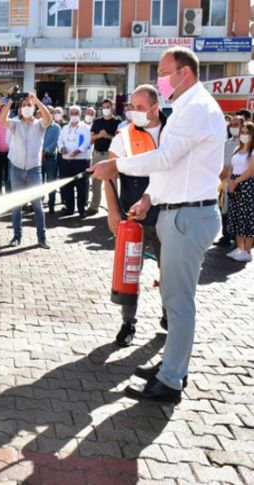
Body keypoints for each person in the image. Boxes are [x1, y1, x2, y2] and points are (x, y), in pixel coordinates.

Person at [90, 46, 224, 403]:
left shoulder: (196, 108)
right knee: (173, 297)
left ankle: (170, 380)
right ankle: (171, 365)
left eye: (165, 73)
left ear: (185, 73)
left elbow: (165, 157)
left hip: (188, 215)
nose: (161, 80)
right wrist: (150, 197)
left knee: (179, 304)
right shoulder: (185, 109)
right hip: (177, 210)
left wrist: (116, 167)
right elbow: (175, 168)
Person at [106, 84, 168, 347]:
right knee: (130, 271)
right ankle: (128, 322)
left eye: (140, 108)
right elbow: (109, 172)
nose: (134, 113)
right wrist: (112, 212)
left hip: (167, 213)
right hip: (134, 216)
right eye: (132, 107)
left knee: (170, 270)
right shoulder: (124, 135)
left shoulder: (173, 131)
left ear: (156, 107)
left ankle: (169, 315)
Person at [0, 93, 52, 248]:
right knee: (17, 205)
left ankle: (41, 238)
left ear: (34, 108)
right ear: (20, 109)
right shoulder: (16, 124)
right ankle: (16, 237)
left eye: (29, 105)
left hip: (34, 170)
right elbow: (2, 119)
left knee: (37, 205)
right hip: (16, 169)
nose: (27, 107)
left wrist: (36, 100)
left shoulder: (39, 124)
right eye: (24, 105)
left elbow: (48, 117)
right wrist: (10, 102)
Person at [224, 121, 254, 262]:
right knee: (235, 216)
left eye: (247, 133)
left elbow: (250, 170)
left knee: (247, 218)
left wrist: (236, 181)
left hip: (246, 186)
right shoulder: (237, 149)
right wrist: (229, 181)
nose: (244, 135)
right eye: (243, 132)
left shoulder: (252, 151)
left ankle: (247, 251)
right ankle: (239, 247)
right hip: (234, 186)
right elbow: (230, 167)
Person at [215, 115, 244, 247]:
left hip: (239, 181)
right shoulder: (226, 143)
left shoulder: (246, 144)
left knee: (238, 211)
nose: (233, 127)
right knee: (223, 209)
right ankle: (226, 236)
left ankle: (239, 240)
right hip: (224, 182)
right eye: (231, 125)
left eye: (236, 125)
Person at [88, 99, 121, 215]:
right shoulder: (97, 122)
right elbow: (91, 140)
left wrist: (107, 136)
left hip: (110, 155)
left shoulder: (117, 122)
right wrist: (99, 136)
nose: (106, 109)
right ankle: (94, 206)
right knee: (96, 182)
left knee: (111, 183)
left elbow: (119, 140)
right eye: (104, 107)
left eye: (108, 107)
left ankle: (113, 209)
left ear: (112, 108)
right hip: (97, 154)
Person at [58, 106, 92, 217]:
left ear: (80, 114)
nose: (73, 114)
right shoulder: (64, 128)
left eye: (76, 112)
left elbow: (87, 142)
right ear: (68, 114)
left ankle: (82, 210)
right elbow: (60, 141)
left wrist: (79, 150)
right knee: (67, 186)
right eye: (71, 112)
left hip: (80, 161)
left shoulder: (85, 127)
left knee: (81, 186)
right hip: (66, 161)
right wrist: (61, 148)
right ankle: (70, 208)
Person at [42, 106, 61, 213]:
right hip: (39, 158)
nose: (49, 113)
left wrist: (45, 152)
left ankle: (51, 205)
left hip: (51, 158)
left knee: (51, 182)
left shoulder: (57, 127)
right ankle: (38, 204)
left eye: (51, 112)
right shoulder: (39, 125)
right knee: (39, 183)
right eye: (47, 112)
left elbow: (55, 143)